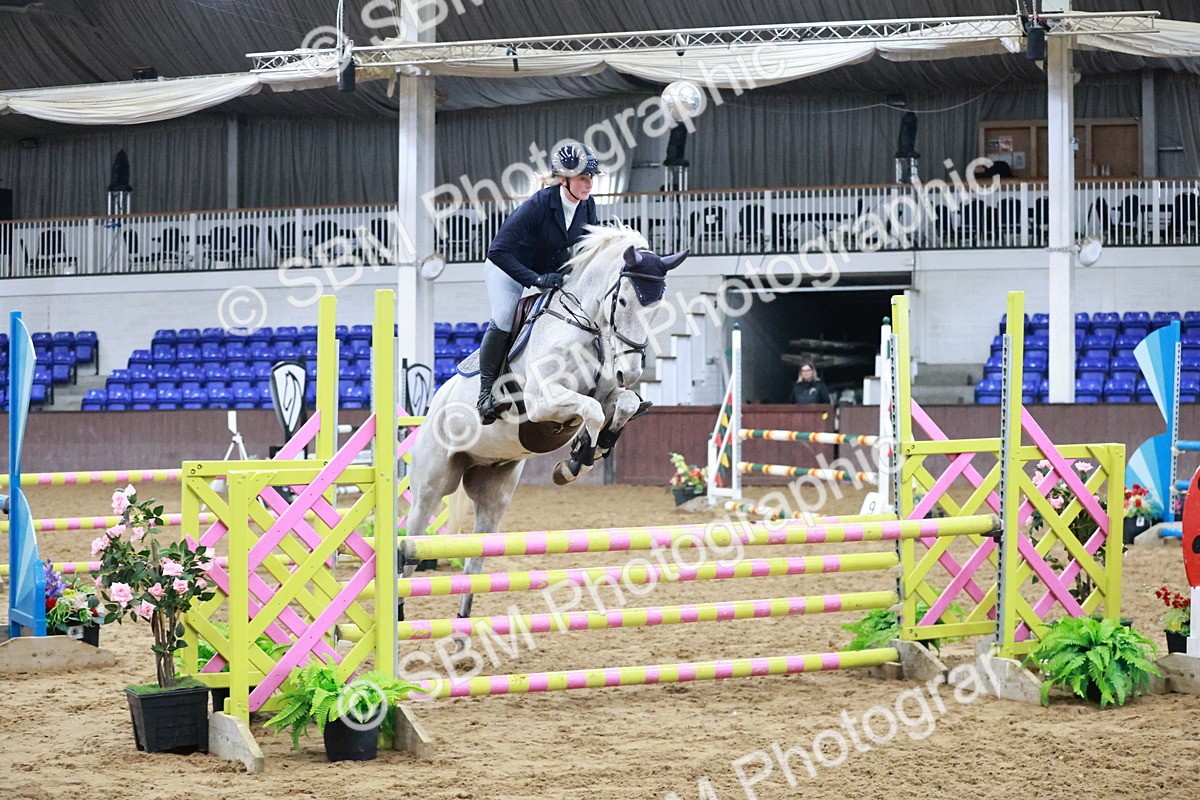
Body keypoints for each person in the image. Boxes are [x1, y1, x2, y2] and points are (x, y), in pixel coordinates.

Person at [476, 143, 601, 423]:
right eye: (583, 177)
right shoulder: (539, 204)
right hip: (508, 267)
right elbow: (497, 251)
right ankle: (485, 394)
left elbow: (586, 248)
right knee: (505, 317)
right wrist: (535, 279)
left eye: (591, 177)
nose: (589, 183)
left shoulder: (587, 205)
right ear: (564, 179)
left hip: (549, 268)